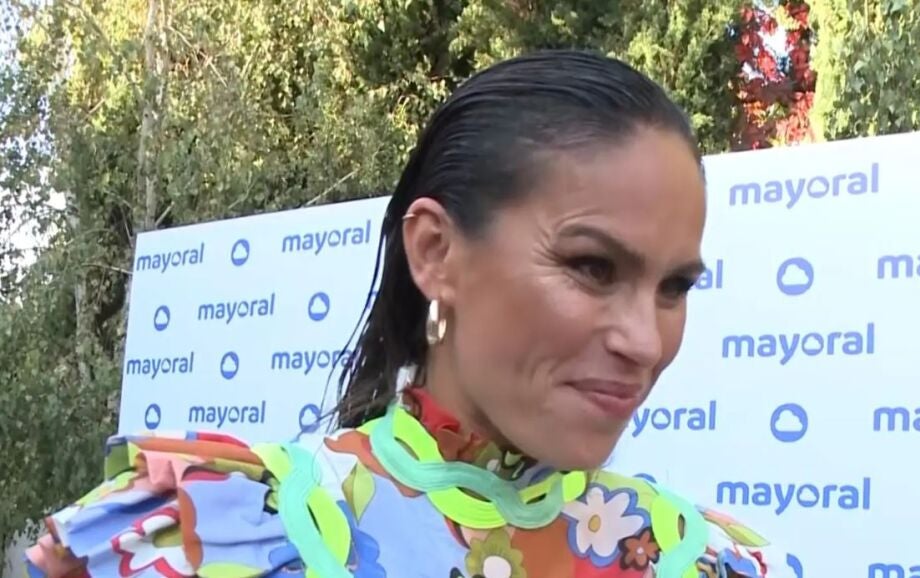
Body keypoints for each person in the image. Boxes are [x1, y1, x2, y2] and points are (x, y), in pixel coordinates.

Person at [24, 50, 790, 578]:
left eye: (673, 287)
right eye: (593, 268)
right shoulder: (216, 536)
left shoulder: (703, 559)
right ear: (435, 252)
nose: (644, 341)